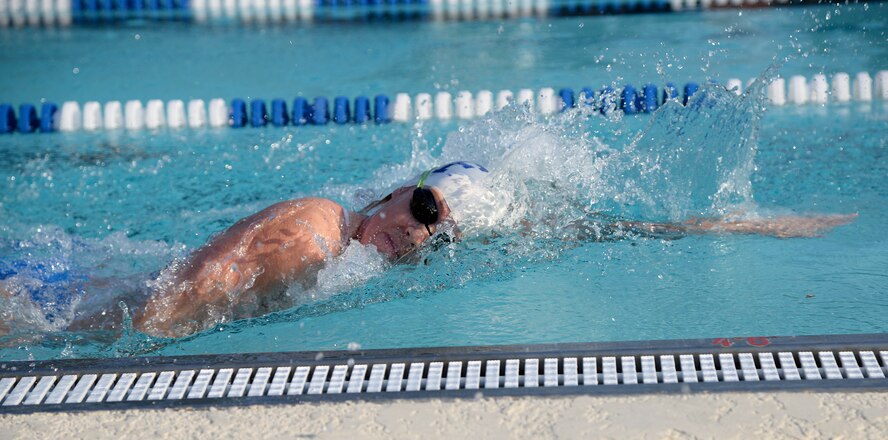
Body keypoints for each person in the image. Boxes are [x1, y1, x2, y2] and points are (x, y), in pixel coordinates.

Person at [2, 161, 857, 339]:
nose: (415, 229)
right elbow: (174, 304)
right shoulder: (314, 228)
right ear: (396, 189)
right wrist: (100, 346)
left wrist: (732, 226)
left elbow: (591, 226)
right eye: (421, 205)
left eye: (435, 233)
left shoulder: (356, 260)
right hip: (60, 306)